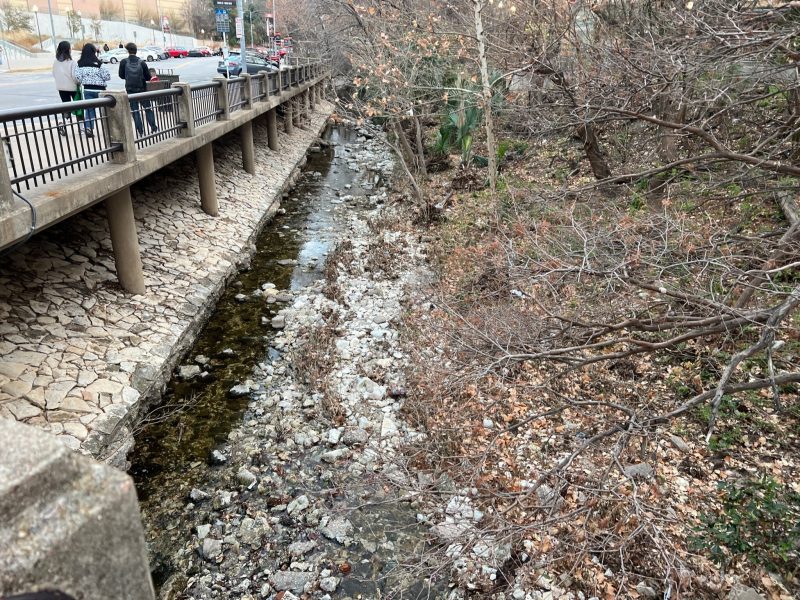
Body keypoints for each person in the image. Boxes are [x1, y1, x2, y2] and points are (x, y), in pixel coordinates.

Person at [118, 42, 157, 136]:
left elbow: (121, 75)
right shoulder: (141, 62)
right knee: (148, 109)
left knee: (135, 111)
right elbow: (148, 77)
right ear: (136, 51)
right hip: (142, 89)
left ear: (127, 51)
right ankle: (154, 128)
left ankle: (140, 131)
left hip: (130, 90)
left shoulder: (124, 62)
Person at [75, 43, 110, 139]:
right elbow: (107, 76)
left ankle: (89, 128)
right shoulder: (99, 63)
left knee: (90, 110)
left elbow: (77, 78)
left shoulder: (79, 64)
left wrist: (85, 79)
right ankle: (109, 128)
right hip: (101, 90)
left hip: (87, 89)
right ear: (94, 52)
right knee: (105, 110)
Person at [52, 41, 79, 136]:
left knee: (66, 107)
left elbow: (54, 74)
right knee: (78, 107)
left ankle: (63, 123)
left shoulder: (56, 62)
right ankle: (82, 127)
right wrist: (78, 83)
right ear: (69, 50)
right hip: (72, 87)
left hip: (61, 88)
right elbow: (75, 76)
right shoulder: (72, 62)